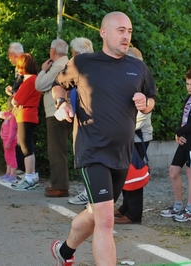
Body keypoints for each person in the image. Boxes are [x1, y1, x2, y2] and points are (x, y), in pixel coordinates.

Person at [50, 11, 157, 265]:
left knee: (95, 212)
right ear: (103, 32)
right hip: (91, 149)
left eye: (129, 31)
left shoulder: (138, 67)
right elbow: (58, 85)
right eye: (120, 30)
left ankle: (64, 251)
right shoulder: (84, 63)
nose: (126, 36)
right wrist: (61, 103)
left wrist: (146, 103)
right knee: (106, 219)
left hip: (121, 153)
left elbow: (151, 99)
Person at [159, 69, 191, 222]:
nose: (189, 87)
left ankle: (190, 209)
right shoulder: (188, 99)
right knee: (173, 171)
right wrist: (178, 134)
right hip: (183, 141)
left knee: (190, 172)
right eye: (187, 84)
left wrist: (180, 131)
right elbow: (184, 120)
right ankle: (178, 205)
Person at [114, 47, 153, 224]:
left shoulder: (141, 81)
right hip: (128, 135)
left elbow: (143, 113)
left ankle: (134, 214)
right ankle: (126, 208)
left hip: (137, 137)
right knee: (125, 173)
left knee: (134, 175)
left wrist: (120, 126)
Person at [35, 39, 71, 197]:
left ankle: (60, 186)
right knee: (60, 148)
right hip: (65, 109)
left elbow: (40, 85)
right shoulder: (69, 63)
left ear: (52, 51)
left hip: (56, 111)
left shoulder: (57, 66)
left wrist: (43, 70)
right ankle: (59, 184)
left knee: (56, 149)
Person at [66, 37, 94, 205]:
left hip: (88, 124)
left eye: (72, 53)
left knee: (86, 160)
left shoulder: (82, 69)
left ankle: (90, 195)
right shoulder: (93, 67)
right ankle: (90, 194)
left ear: (76, 53)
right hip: (83, 121)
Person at [10, 53, 42, 190]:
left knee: (26, 147)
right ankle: (32, 175)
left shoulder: (29, 81)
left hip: (26, 115)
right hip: (28, 115)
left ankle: (29, 177)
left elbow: (16, 100)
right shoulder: (34, 79)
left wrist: (14, 97)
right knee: (28, 146)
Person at [5, 42, 25, 174]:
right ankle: (17, 165)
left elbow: (25, 86)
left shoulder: (23, 65)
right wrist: (12, 90)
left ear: (12, 55)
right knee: (16, 134)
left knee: (20, 136)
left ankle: (23, 167)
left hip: (21, 105)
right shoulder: (18, 67)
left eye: (9, 57)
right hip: (17, 101)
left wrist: (15, 94)